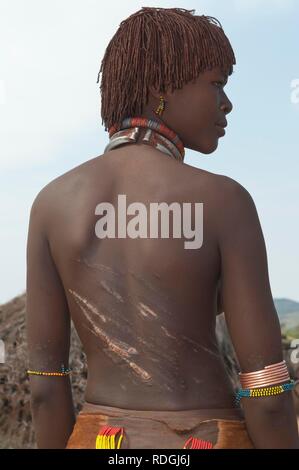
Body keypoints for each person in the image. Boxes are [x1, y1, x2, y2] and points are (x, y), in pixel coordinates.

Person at [26, 7, 299, 449]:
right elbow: (265, 391)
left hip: (99, 442)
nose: (227, 103)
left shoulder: (50, 205)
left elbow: (44, 387)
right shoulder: (224, 202)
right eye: (217, 83)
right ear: (160, 87)